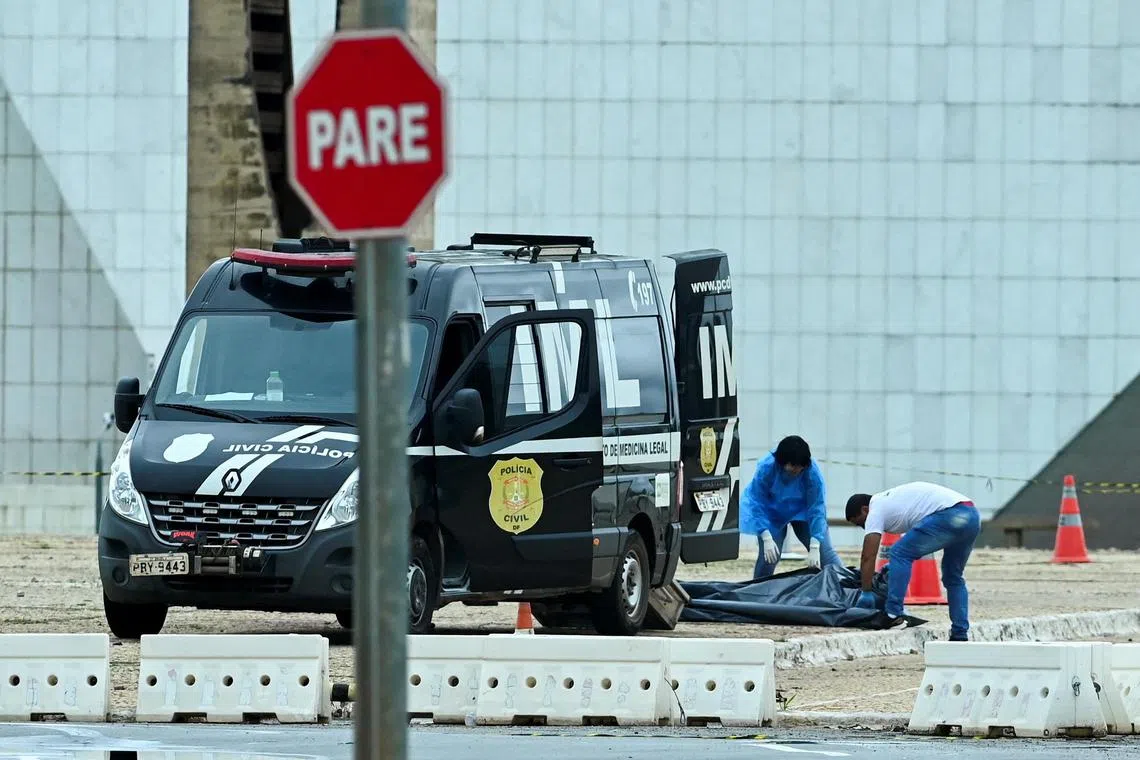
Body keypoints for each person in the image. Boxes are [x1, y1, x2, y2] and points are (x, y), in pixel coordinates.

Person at [845, 481, 981, 641]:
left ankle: (893, 614)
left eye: (860, 522)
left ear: (865, 509)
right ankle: (960, 633)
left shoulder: (876, 509)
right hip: (971, 515)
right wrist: (893, 568)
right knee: (953, 577)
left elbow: (868, 556)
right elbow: (915, 544)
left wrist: (866, 591)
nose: (863, 527)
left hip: (949, 514)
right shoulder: (897, 503)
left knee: (898, 552)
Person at [740, 435, 842, 579]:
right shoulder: (767, 468)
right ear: (782, 462)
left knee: (826, 554)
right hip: (771, 514)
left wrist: (815, 544)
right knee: (769, 558)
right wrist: (765, 535)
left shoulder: (812, 473)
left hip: (803, 512)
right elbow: (757, 502)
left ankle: (847, 585)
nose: (797, 469)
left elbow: (817, 508)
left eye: (801, 466)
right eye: (793, 466)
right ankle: (757, 590)